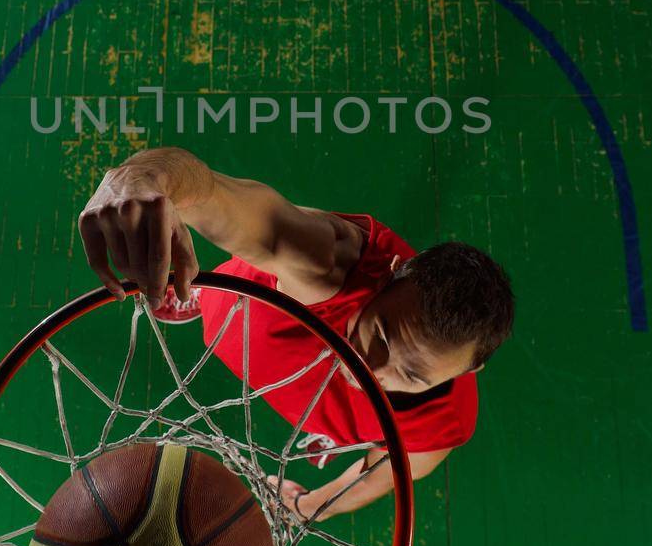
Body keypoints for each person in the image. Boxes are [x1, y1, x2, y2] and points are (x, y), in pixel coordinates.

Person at [78, 146, 514, 522]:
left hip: (307, 388)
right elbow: (211, 194)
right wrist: (140, 177)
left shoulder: (442, 424)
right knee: (221, 303)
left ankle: (203, 296)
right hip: (257, 314)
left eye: (413, 375)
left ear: (468, 370)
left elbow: (383, 470)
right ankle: (197, 292)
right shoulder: (328, 259)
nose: (371, 369)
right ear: (393, 273)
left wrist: (308, 505)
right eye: (380, 335)